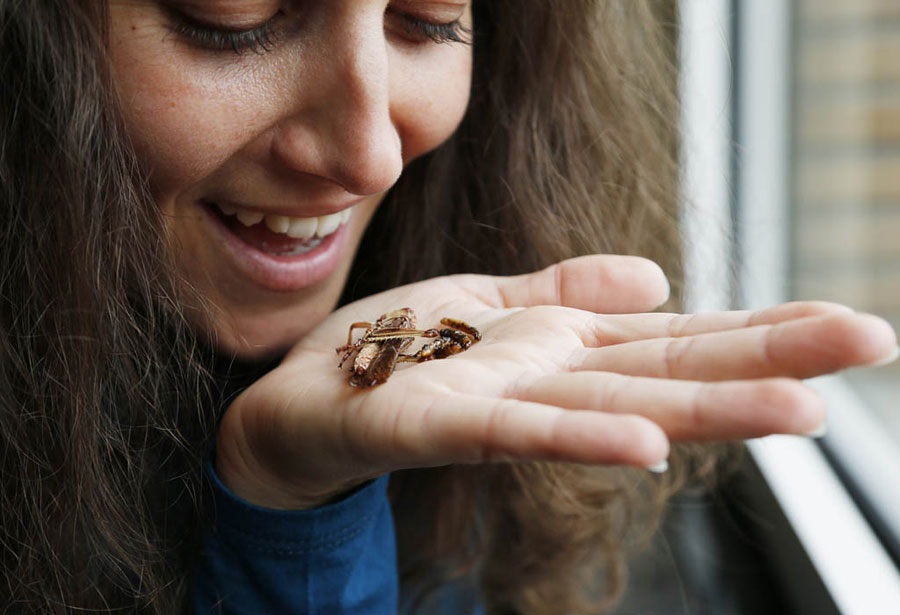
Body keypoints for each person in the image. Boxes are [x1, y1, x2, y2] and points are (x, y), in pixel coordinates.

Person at [1, 1, 896, 613]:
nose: (371, 155)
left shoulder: (459, 412)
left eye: (427, 19)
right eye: (234, 18)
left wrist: (297, 497)